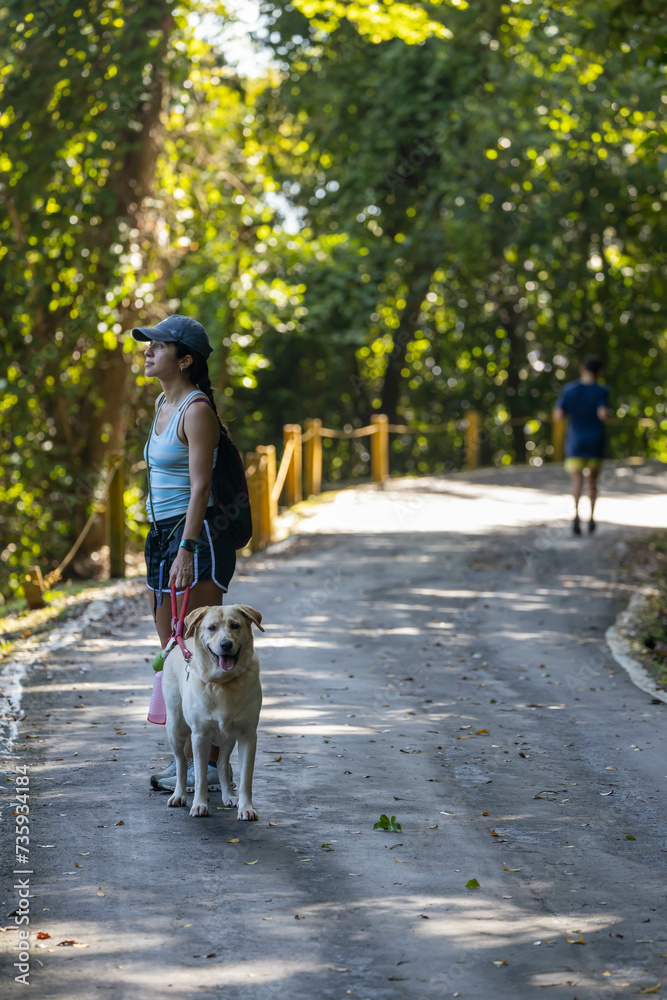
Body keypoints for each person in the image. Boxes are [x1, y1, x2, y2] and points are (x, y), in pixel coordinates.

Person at [132, 315, 237, 792]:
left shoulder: (196, 410)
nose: (148, 351)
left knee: (202, 653)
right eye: (148, 344)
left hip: (195, 538)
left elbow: (201, 487)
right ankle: (188, 760)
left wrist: (188, 548)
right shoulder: (162, 403)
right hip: (160, 535)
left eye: (158, 345)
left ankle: (210, 766)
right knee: (174, 654)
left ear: (185, 359)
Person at [553, 354, 612, 535]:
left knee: (577, 480)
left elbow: (558, 416)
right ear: (600, 372)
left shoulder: (569, 390)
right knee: (592, 481)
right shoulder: (601, 391)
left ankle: (576, 515)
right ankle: (591, 517)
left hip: (575, 443)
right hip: (595, 443)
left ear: (582, 368)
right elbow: (603, 414)